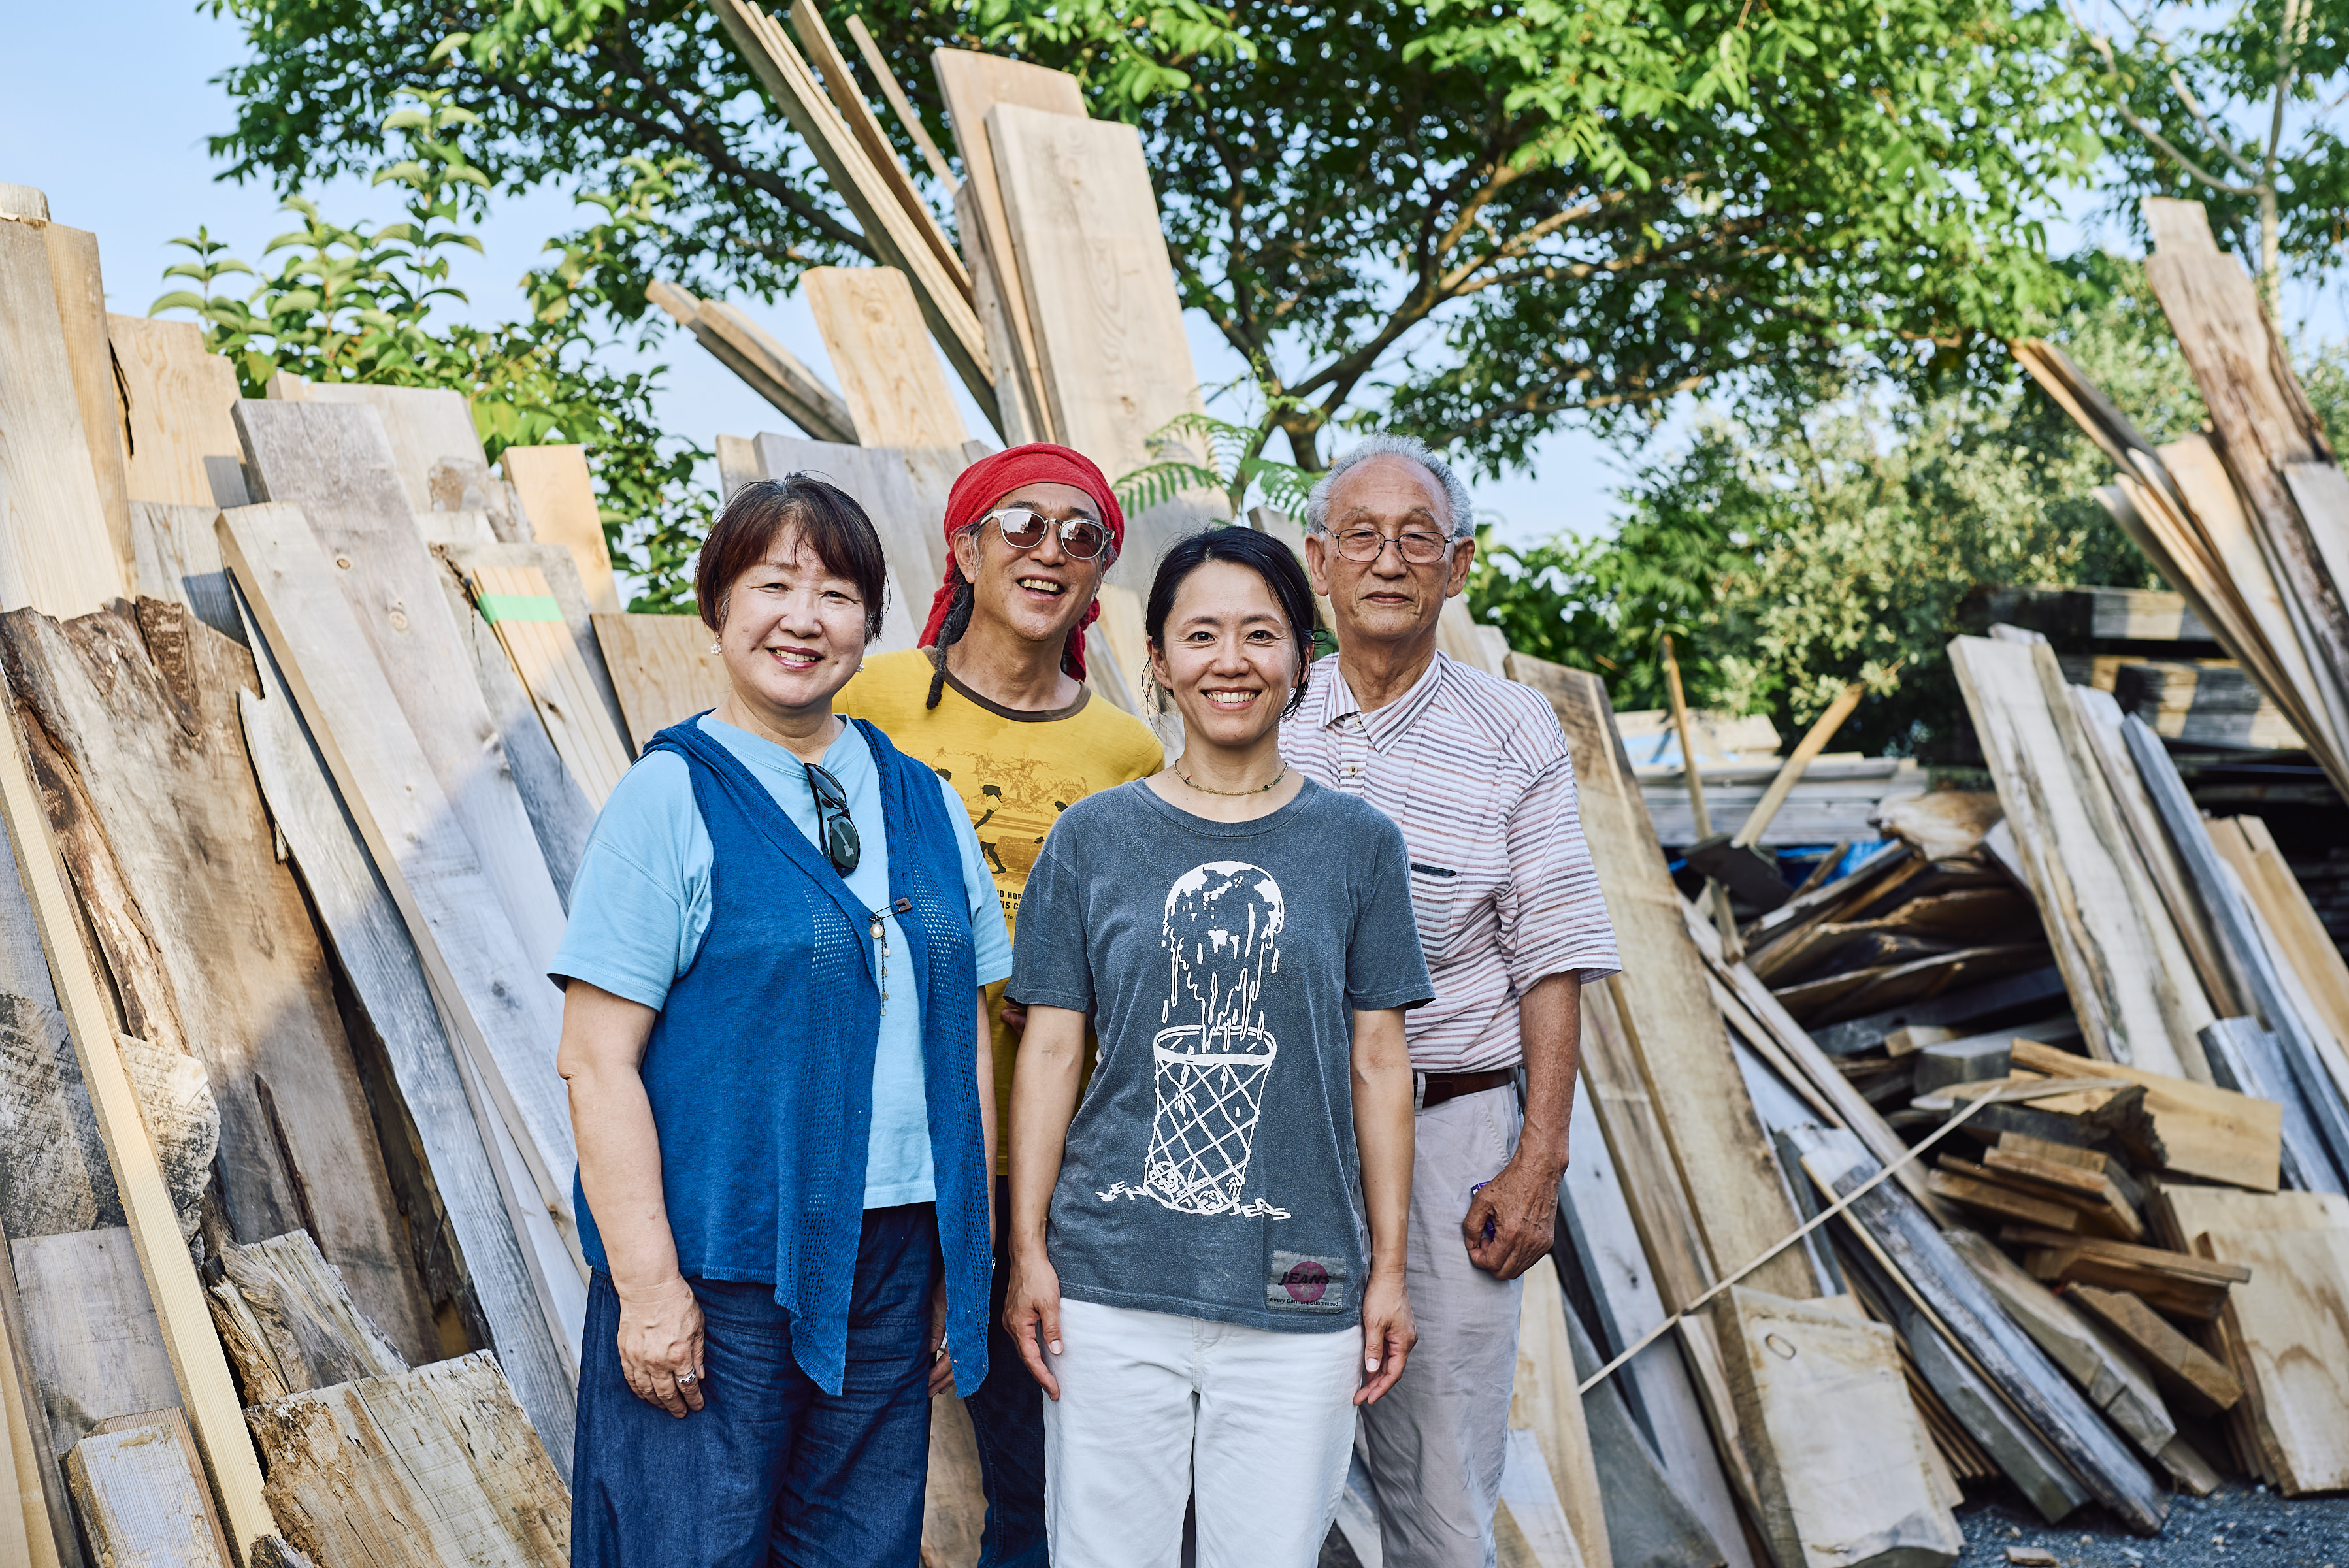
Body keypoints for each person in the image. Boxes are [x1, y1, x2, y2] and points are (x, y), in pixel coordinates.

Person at [555, 475, 1011, 1567]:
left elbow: (968, 1042)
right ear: (718, 609)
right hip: (725, 1258)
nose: (803, 619)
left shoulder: (922, 796)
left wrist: (966, 1252)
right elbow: (595, 1061)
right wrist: (648, 1287)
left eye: (838, 594)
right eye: (773, 586)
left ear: (870, 624)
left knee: (860, 1550)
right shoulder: (672, 796)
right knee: (692, 1546)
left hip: (896, 1251)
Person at [1000, 527, 1428, 1568]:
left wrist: (1388, 1273)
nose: (1229, 661)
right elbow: (1052, 1055)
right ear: (1157, 660)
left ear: (1301, 663)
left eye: (1259, 635)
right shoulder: (1091, 840)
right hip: (1108, 1282)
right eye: (1200, 635)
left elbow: (1379, 1063)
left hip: (1302, 1285)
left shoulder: (1358, 844)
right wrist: (1028, 1255)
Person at [1281, 436, 1620, 1568]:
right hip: (1276, 1140)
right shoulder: (1258, 709)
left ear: (1459, 566)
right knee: (1264, 1469)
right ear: (1319, 562)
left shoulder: (1513, 728)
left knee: (1440, 1480)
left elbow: (1553, 948)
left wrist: (1539, 1159)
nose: (1389, 561)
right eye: (1362, 538)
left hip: (1451, 1132)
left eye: (1416, 537)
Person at [836, 444, 1163, 1567]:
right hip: (893, 1150)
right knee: (855, 1459)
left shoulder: (1127, 752)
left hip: (1054, 1164)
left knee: (1045, 1478)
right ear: (965, 548)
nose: (1050, 550)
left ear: (1098, 580)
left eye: (1083, 536)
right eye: (1020, 524)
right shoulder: (871, 700)